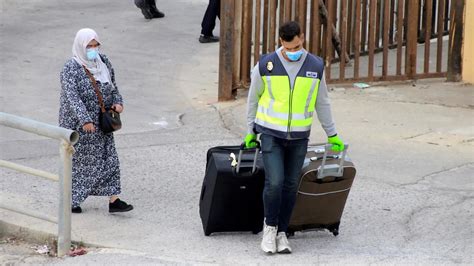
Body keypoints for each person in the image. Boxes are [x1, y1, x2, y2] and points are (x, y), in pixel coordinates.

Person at [244, 21, 344, 254]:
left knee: (290, 185)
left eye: (296, 46)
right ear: (281, 42)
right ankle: (269, 228)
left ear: (302, 38)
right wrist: (250, 131)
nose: (292, 52)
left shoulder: (315, 65)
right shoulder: (265, 64)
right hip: (270, 134)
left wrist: (333, 134)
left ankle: (282, 232)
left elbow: (322, 102)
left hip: (299, 137)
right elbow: (253, 99)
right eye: (288, 48)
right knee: (275, 182)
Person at [59, 28, 133, 214]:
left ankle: (114, 200)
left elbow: (113, 85)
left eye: (95, 45)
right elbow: (72, 97)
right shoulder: (70, 68)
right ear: (80, 46)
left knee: (109, 159)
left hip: (103, 121)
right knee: (82, 164)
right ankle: (72, 201)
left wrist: (118, 102)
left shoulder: (103, 62)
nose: (93, 49)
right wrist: (85, 120)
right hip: (79, 125)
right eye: (89, 46)